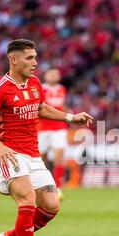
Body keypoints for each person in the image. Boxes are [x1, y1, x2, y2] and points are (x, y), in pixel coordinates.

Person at [0, 39, 93, 236]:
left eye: (36, 57)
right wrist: (0, 146)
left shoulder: (35, 83)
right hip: (9, 155)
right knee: (27, 199)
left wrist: (71, 118)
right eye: (29, 58)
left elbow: (42, 109)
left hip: (33, 154)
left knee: (51, 205)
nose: (35, 63)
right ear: (13, 60)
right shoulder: (0, 87)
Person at [38, 69, 68, 201]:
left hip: (59, 128)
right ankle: (43, 186)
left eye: (56, 74)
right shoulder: (40, 89)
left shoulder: (62, 89)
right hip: (42, 129)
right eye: (51, 73)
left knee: (58, 159)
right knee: (41, 159)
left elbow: (62, 107)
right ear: (46, 75)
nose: (54, 76)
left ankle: (58, 188)